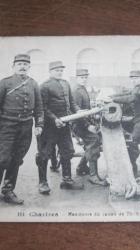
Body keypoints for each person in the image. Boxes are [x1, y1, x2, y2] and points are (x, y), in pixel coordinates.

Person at [0, 54, 44, 204]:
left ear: (29, 67)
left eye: (25, 64)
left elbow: (39, 107)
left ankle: (8, 191)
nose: (22, 66)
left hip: (26, 126)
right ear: (13, 66)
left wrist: (39, 124)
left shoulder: (33, 84)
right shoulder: (5, 83)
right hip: (7, 125)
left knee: (17, 159)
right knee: (3, 159)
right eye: (19, 63)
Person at [36, 61, 84, 194]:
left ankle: (67, 180)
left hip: (64, 125)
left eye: (61, 70)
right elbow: (42, 107)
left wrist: (78, 110)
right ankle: (43, 183)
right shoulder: (44, 86)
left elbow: (72, 102)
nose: (59, 72)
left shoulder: (65, 83)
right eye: (57, 70)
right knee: (44, 154)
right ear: (50, 71)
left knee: (67, 151)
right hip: (49, 127)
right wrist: (54, 119)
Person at [111, 70, 140, 177]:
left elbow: (131, 98)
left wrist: (113, 100)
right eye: (132, 78)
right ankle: (122, 163)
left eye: (136, 78)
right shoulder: (136, 88)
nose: (134, 80)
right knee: (118, 130)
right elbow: (126, 93)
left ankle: (133, 168)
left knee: (132, 141)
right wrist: (110, 96)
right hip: (135, 119)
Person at [72, 69, 106, 186]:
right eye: (81, 77)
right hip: (79, 125)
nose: (84, 79)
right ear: (77, 78)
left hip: (83, 123)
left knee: (98, 137)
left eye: (85, 77)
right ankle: (93, 176)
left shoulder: (82, 89)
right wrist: (88, 126)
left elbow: (85, 108)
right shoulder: (77, 91)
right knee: (94, 140)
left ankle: (81, 167)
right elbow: (77, 113)